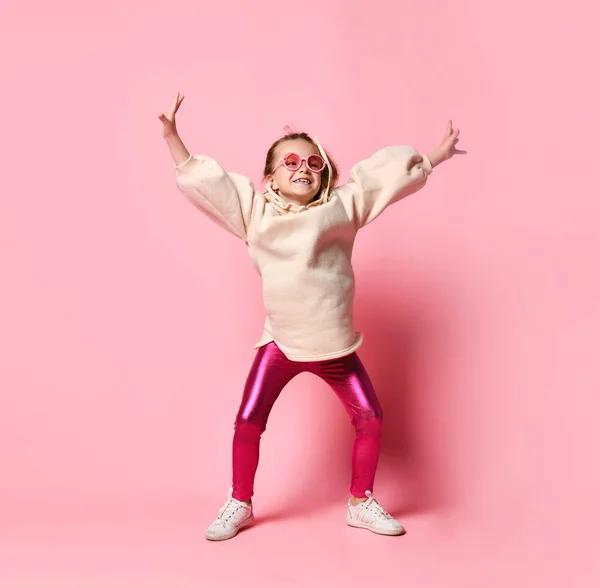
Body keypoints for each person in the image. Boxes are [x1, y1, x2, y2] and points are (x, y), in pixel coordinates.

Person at [158, 93, 465, 541]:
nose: (303, 168)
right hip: (280, 342)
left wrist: (434, 157)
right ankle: (239, 501)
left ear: (326, 176)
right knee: (248, 420)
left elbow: (386, 182)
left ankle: (361, 502)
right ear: (270, 178)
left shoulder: (342, 207)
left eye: (314, 163)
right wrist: (173, 138)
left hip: (335, 346)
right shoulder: (255, 213)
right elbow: (212, 186)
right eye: (291, 162)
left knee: (372, 419)